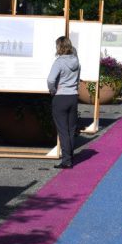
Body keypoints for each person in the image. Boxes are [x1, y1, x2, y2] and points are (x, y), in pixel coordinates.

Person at [47, 36, 81, 169]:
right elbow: (77, 79)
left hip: (60, 97)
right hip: (73, 97)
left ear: (59, 47)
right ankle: (70, 156)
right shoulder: (77, 61)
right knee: (71, 129)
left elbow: (50, 80)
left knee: (62, 130)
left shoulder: (59, 62)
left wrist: (53, 90)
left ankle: (67, 160)